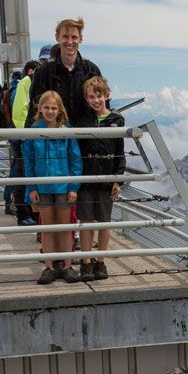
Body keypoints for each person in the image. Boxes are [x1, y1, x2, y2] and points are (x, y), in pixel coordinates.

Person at [21, 91, 83, 284]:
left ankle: (67, 266)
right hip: (42, 187)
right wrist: (31, 188)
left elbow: (75, 160)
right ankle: (48, 267)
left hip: (63, 186)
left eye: (54, 108)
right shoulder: (34, 130)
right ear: (39, 108)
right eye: (46, 107)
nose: (50, 111)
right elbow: (28, 161)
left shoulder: (66, 130)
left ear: (59, 110)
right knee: (47, 228)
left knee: (65, 228)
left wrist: (73, 186)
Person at [75, 76, 125, 281]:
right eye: (91, 97)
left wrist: (118, 179)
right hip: (86, 177)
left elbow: (120, 150)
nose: (95, 100)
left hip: (106, 178)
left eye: (99, 96)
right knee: (86, 220)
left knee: (104, 221)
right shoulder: (82, 121)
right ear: (86, 99)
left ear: (107, 95)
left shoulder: (117, 120)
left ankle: (101, 261)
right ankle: (86, 262)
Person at [28, 18, 101, 127]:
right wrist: (28, 138)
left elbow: (102, 105)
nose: (70, 42)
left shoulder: (91, 71)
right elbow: (35, 109)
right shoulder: (45, 72)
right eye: (65, 37)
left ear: (81, 39)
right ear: (57, 37)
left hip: (86, 137)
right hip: (56, 138)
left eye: (74, 37)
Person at [8, 60, 40, 221]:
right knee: (23, 173)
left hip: (31, 135)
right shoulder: (27, 82)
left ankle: (30, 214)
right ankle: (23, 214)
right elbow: (19, 111)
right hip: (26, 137)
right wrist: (25, 136)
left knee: (26, 173)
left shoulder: (33, 81)